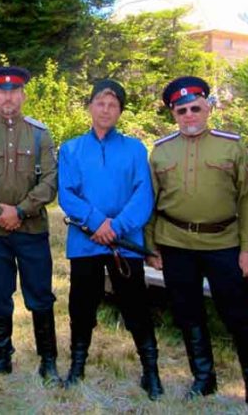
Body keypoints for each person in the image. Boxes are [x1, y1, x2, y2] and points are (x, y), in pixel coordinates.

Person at [145, 76, 248, 414]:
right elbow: (151, 203)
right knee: (188, 314)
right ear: (173, 113)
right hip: (175, 243)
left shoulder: (231, 146)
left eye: (195, 108)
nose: (189, 115)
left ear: (208, 108)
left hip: (224, 243)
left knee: (239, 316)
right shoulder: (161, 150)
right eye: (181, 110)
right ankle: (203, 378)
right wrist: (151, 247)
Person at [58, 79, 164, 400]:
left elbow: (143, 194)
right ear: (90, 106)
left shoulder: (134, 149)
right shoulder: (71, 149)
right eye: (100, 103)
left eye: (113, 104)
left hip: (123, 241)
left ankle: (151, 371)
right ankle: (77, 366)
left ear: (120, 110)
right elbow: (67, 194)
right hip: (85, 241)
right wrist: (96, 222)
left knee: (135, 304)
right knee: (81, 304)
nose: (106, 110)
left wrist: (115, 227)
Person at [0, 66, 60, 386]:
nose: (8, 97)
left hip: (32, 229)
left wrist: (19, 210)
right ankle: (2, 359)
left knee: (40, 296)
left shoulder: (39, 134)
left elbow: (50, 181)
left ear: (23, 95)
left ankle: (48, 362)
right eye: (2, 91)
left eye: (14, 91)